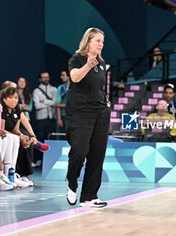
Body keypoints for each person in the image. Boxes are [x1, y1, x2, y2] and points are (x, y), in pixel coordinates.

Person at [66, 27, 111, 207]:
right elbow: (75, 78)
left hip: (100, 112)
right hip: (80, 112)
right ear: (88, 41)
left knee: (97, 154)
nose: (101, 44)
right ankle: (71, 184)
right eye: (98, 40)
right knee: (80, 150)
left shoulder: (101, 62)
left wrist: (106, 102)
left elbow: (99, 87)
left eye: (102, 41)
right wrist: (88, 65)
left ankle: (89, 197)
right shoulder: (77, 59)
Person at [32, 71, 57, 167]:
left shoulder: (54, 89)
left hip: (51, 118)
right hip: (41, 119)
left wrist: (44, 101)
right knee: (40, 138)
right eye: (43, 77)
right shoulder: (36, 91)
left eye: (47, 77)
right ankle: (38, 159)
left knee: (50, 138)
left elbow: (55, 103)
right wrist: (49, 102)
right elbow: (37, 105)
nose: (46, 79)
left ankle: (49, 161)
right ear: (40, 79)